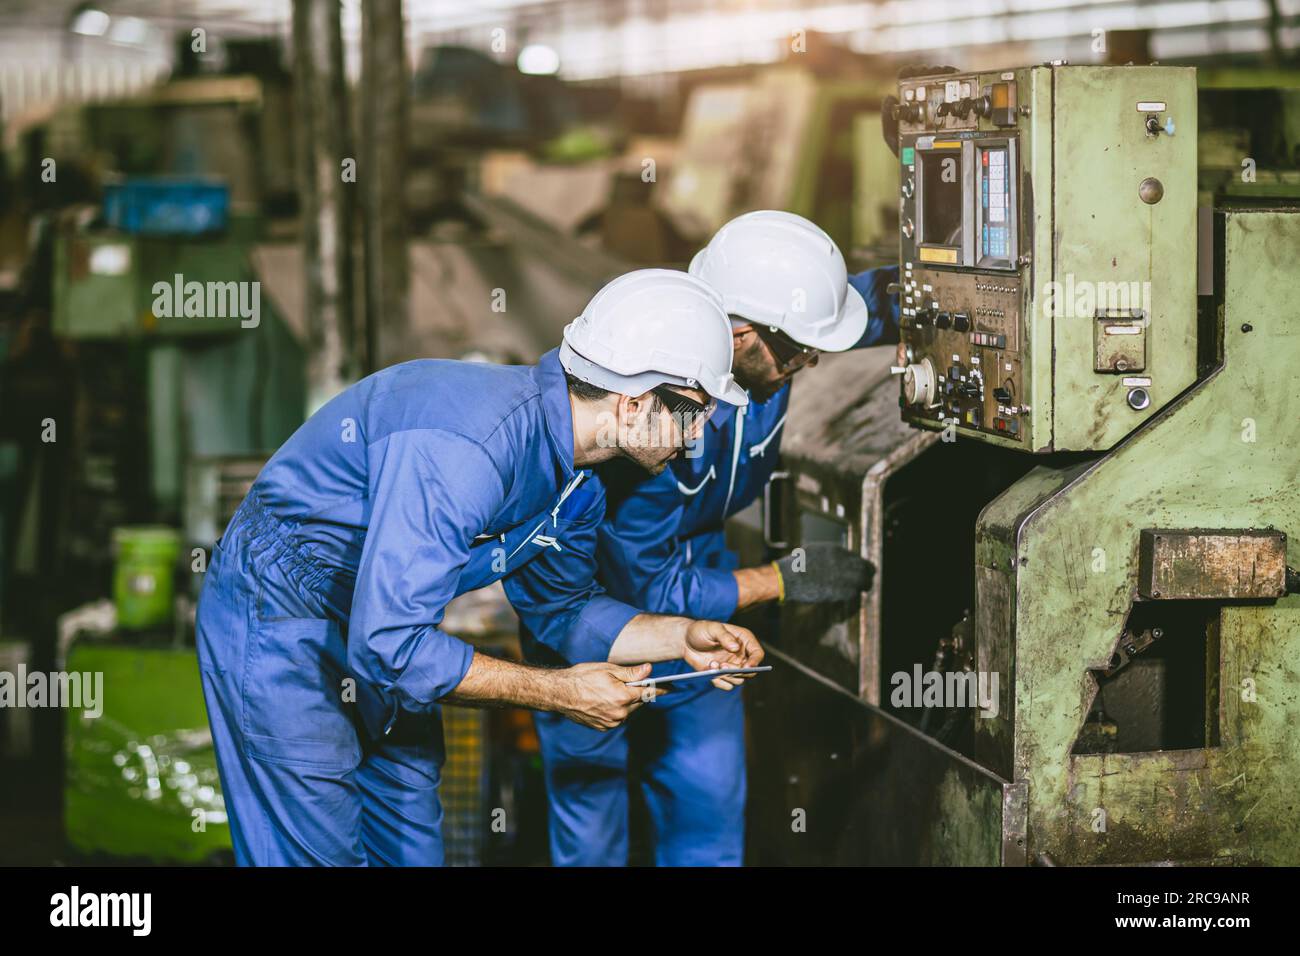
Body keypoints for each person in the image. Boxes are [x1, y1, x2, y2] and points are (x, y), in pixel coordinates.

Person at [195, 268, 765, 866]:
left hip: (386, 621)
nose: (698, 436)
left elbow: (563, 610)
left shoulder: (579, 480)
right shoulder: (471, 447)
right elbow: (388, 647)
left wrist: (683, 636)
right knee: (315, 849)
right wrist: (556, 691)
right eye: (693, 412)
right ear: (632, 402)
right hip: (285, 606)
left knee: (409, 842)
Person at [533, 210, 901, 866]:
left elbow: (874, 306)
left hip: (691, 560)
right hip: (585, 596)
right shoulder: (653, 413)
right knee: (592, 817)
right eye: (794, 351)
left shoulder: (768, 350)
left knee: (706, 798)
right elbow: (646, 584)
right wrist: (782, 581)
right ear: (736, 335)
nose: (807, 362)